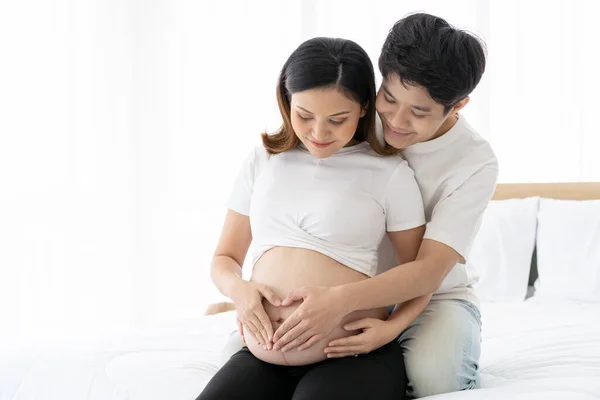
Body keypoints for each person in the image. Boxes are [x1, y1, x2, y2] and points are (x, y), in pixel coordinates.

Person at [269, 13, 499, 398]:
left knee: (434, 380)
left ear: (458, 104)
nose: (395, 119)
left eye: (419, 111)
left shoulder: (474, 162)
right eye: (389, 98)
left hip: (433, 296)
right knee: (249, 358)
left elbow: (428, 271)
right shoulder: (352, 118)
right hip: (346, 287)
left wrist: (388, 324)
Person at [197, 37, 429, 400]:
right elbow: (223, 260)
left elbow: (419, 275)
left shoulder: (390, 173)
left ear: (365, 108)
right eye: (305, 116)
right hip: (264, 354)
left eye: (338, 120)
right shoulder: (263, 160)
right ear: (286, 101)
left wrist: (392, 328)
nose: (319, 133)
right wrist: (239, 292)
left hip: (350, 353)